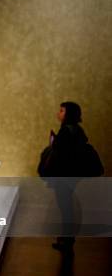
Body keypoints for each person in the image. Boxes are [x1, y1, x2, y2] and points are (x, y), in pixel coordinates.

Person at [38, 101, 104, 253]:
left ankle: (67, 240)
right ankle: (67, 238)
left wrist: (53, 144)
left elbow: (62, 153)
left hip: (65, 174)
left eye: (61, 110)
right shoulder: (76, 130)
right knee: (66, 207)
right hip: (71, 174)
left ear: (68, 114)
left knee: (66, 207)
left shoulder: (67, 131)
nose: (59, 113)